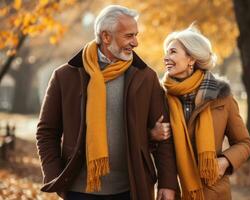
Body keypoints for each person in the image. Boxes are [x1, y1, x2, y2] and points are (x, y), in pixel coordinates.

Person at [36, 5, 177, 200]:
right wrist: (55, 176)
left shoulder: (146, 77)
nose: (135, 42)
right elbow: (47, 132)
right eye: (128, 36)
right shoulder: (65, 76)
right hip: (79, 191)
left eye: (136, 35)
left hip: (131, 189)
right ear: (106, 36)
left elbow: (164, 135)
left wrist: (167, 183)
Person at [157, 26, 250, 200]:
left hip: (213, 192)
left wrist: (225, 162)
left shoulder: (222, 97)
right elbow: (151, 145)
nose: (166, 58)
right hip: (174, 191)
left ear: (191, 59)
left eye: (172, 52)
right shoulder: (159, 97)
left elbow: (244, 143)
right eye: (166, 52)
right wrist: (152, 134)